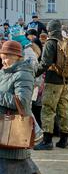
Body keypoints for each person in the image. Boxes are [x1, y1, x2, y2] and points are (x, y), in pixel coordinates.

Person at [0, 41, 40, 174]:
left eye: (6, 57)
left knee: (14, 164)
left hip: (13, 130)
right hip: (3, 130)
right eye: (2, 56)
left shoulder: (24, 73)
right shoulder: (4, 72)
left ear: (16, 56)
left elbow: (22, 102)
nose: (3, 60)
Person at [34, 19, 68, 150]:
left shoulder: (51, 43)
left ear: (49, 30)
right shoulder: (67, 41)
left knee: (48, 110)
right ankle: (64, 140)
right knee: (64, 110)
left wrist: (33, 73)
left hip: (53, 81)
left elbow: (45, 63)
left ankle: (47, 141)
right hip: (66, 81)